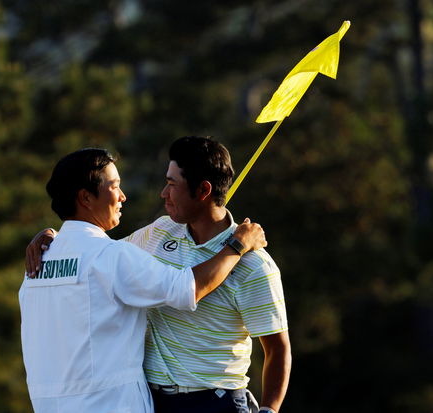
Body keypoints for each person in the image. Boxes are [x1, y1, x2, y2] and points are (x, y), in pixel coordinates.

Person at [26, 138, 291, 413]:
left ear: (203, 190)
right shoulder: (160, 231)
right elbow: (101, 255)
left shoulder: (254, 264)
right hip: (156, 402)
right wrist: (57, 238)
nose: (163, 193)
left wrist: (269, 410)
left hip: (215, 402)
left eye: (172, 184)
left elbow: (277, 348)